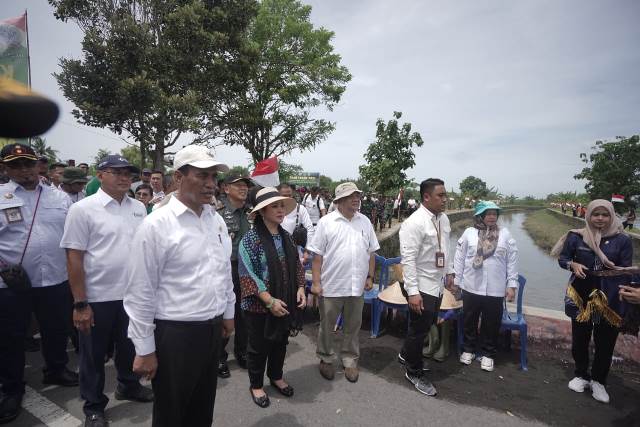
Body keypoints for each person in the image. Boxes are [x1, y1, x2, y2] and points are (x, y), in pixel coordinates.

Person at [124, 145, 235, 427]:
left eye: (214, 177)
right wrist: (144, 348)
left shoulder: (216, 220)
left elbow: (222, 271)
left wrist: (227, 313)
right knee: (172, 414)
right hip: (175, 335)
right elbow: (140, 292)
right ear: (178, 178)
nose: (211, 184)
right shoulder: (156, 225)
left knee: (201, 409)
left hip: (211, 329)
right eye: (202, 176)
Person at [60, 154, 153, 427]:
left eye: (128, 173)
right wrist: (80, 303)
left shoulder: (138, 207)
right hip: (97, 298)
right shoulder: (83, 209)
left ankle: (128, 385)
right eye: (117, 172)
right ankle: (93, 405)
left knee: (129, 347)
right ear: (100, 175)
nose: (124, 177)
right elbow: (74, 258)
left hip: (132, 296)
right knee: (93, 356)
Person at [0, 144, 78, 424]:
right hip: (13, 284)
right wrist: (4, 268)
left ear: (38, 165)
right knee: (11, 337)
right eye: (16, 165)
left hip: (55, 278)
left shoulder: (59, 197)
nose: (24, 170)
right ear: (5, 168)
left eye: (28, 163)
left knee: (56, 329)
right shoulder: (0, 196)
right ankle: (12, 388)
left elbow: (72, 237)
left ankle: (56, 368)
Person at [551, 199, 633, 404]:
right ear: (588, 215)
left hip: (610, 297)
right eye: (596, 214)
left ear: (611, 216)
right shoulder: (576, 236)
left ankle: (598, 381)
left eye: (605, 215)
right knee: (580, 336)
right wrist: (572, 264)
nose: (600, 219)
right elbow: (563, 259)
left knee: (605, 341)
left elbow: (626, 270)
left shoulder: (623, 240)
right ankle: (580, 374)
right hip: (581, 294)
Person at [238, 187, 306, 408]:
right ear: (262, 211)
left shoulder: (286, 236)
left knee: (280, 343)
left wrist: (300, 288)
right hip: (260, 305)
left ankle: (276, 376)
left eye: (282, 206)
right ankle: (256, 385)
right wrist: (269, 301)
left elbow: (296, 265)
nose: (280, 210)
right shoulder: (250, 239)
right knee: (258, 347)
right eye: (274, 206)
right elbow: (248, 275)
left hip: (284, 301)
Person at [308, 182, 379, 383]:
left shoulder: (365, 221)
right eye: (351, 196)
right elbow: (317, 257)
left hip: (357, 286)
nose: (356, 199)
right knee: (327, 325)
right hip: (331, 285)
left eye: (357, 195)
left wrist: (370, 277)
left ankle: (349, 360)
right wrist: (316, 282)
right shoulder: (326, 222)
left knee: (353, 326)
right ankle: (326, 358)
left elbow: (371, 252)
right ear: (339, 201)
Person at [398, 178, 455, 396]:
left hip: (436, 284)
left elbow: (445, 248)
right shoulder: (414, 223)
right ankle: (414, 372)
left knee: (425, 324)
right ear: (426, 197)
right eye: (440, 195)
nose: (445, 199)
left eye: (445, 195)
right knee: (419, 330)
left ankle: (406, 355)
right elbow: (408, 260)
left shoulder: (444, 220)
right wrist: (413, 292)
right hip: (420, 285)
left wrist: (449, 272)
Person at [454, 201, 519, 372]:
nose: (492, 216)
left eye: (494, 213)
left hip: (495, 288)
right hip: (471, 285)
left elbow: (512, 261)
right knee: (469, 319)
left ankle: (488, 354)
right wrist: (456, 282)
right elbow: (459, 258)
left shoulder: (505, 234)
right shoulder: (469, 233)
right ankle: (468, 349)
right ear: (480, 216)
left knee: (491, 322)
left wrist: (511, 285)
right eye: (488, 213)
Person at [217, 173, 252, 378]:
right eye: (238, 185)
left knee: (244, 311)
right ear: (226, 188)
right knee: (223, 311)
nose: (243, 188)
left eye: (245, 185)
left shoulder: (251, 212)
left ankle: (242, 351)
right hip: (225, 267)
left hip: (246, 268)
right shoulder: (216, 212)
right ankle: (219, 356)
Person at [278, 183, 315, 261]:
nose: (288, 198)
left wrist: (307, 250)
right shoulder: (273, 210)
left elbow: (310, 229)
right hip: (277, 251)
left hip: (295, 252)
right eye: (284, 196)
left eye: (289, 195)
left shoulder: (300, 209)